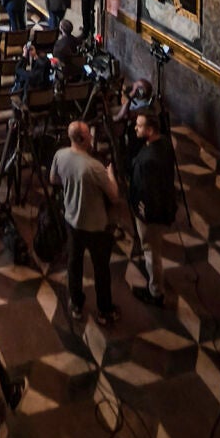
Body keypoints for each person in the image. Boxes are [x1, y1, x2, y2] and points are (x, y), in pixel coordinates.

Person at [50, 120, 120, 325]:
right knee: (101, 269)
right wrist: (111, 175)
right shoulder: (94, 167)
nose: (92, 136)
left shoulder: (60, 155)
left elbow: (53, 179)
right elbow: (114, 196)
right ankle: (104, 310)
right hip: (96, 225)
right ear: (83, 138)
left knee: (74, 263)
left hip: (71, 220)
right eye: (89, 134)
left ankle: (76, 304)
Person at [129, 111, 177, 306]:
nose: (135, 128)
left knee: (151, 251)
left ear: (149, 130)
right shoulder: (164, 142)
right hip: (165, 204)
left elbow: (146, 192)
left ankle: (156, 291)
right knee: (150, 248)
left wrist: (142, 214)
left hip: (151, 214)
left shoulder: (148, 160)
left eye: (139, 126)